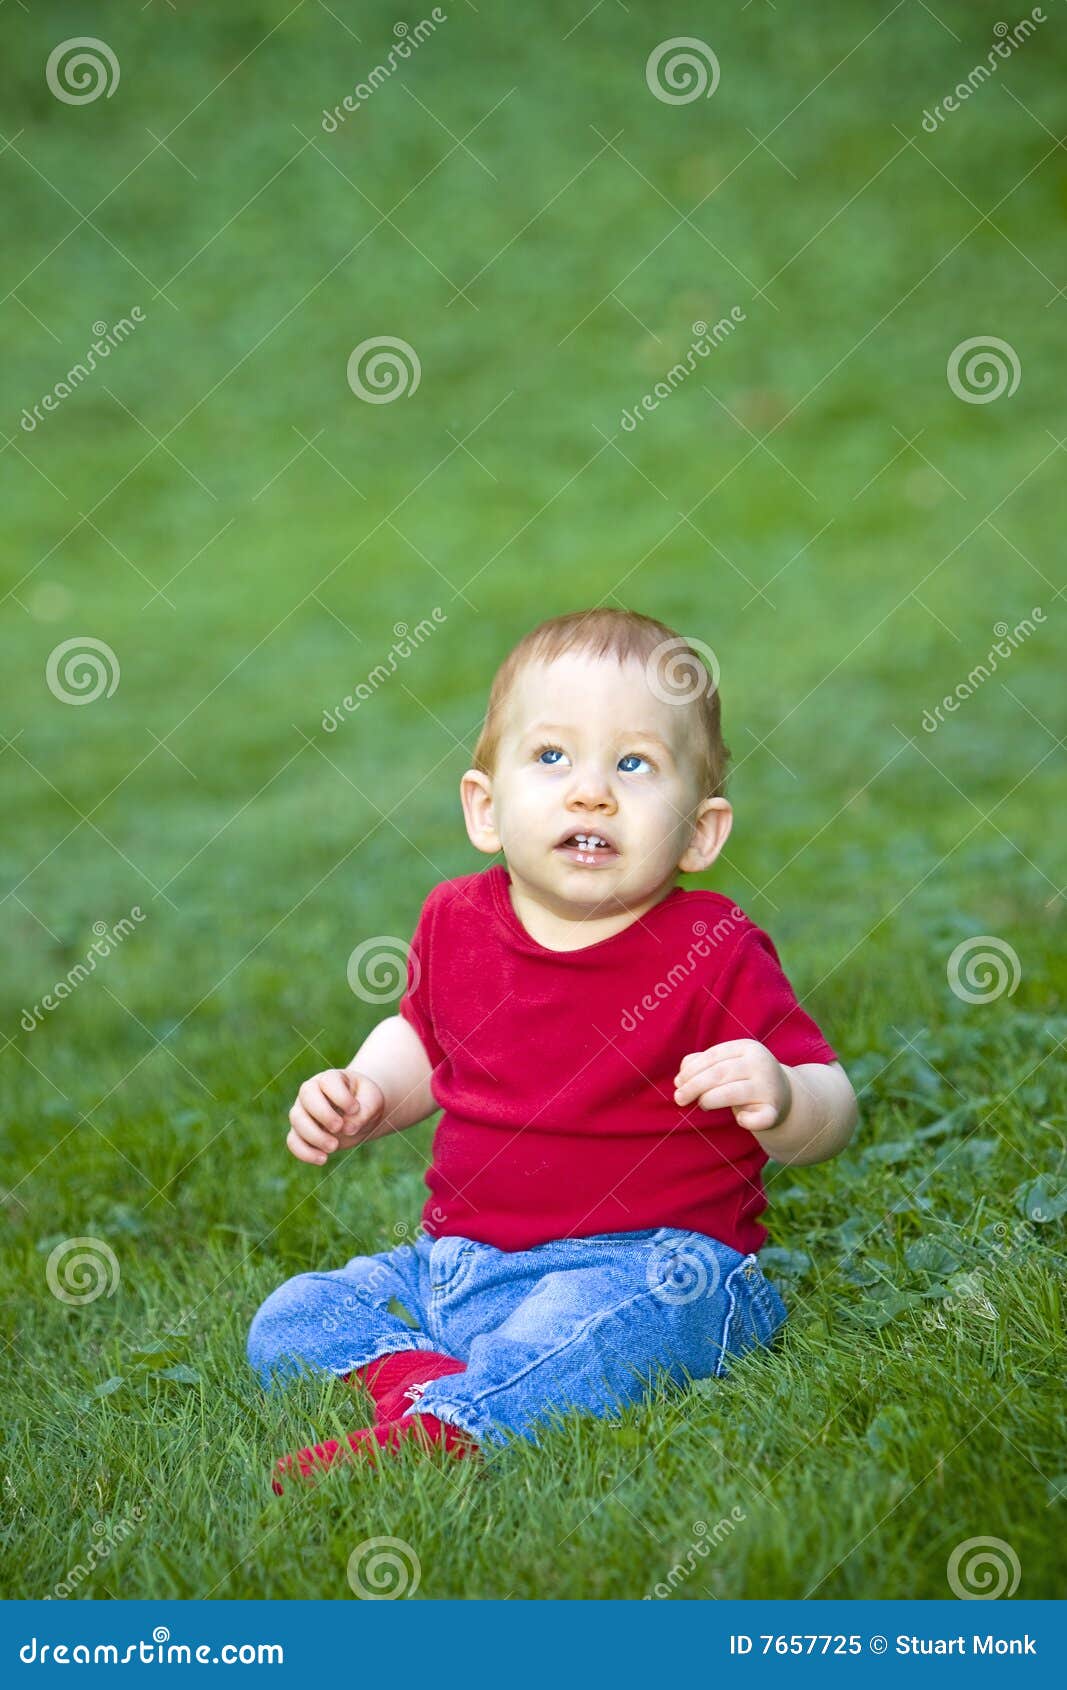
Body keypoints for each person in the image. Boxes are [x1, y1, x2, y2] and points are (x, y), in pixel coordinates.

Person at [247, 608, 858, 1493]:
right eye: (550, 757)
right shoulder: (454, 918)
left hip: (651, 1265)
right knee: (295, 1317)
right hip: (458, 1266)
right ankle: (424, 1381)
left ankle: (452, 1429)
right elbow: (423, 1037)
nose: (590, 792)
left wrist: (786, 1099)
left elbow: (831, 1102)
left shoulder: (712, 946)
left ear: (698, 832)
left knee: (605, 1331)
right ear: (485, 809)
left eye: (634, 764)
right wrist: (368, 1090)